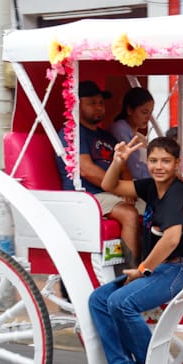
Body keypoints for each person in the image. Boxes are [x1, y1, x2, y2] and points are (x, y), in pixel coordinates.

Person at [88, 136, 183, 364]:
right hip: (157, 269)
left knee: (121, 302)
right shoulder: (150, 187)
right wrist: (118, 161)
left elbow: (172, 238)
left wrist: (144, 268)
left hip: (175, 270)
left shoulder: (176, 192)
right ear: (147, 162)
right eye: (154, 160)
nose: (159, 166)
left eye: (166, 161)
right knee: (99, 300)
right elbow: (109, 184)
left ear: (177, 164)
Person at [56, 80, 142, 266]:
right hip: (87, 195)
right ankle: (130, 273)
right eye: (92, 103)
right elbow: (86, 169)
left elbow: (123, 166)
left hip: (110, 192)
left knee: (158, 206)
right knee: (129, 214)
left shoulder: (106, 136)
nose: (99, 108)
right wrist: (120, 190)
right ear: (77, 105)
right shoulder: (72, 132)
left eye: (101, 103)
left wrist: (129, 189)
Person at [110, 87, 154, 180]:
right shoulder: (119, 128)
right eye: (144, 112)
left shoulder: (140, 136)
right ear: (129, 110)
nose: (148, 117)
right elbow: (132, 166)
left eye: (150, 113)